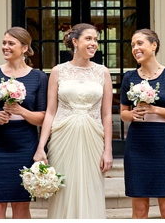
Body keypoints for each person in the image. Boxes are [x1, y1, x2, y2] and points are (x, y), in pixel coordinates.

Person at [33, 23, 112, 219]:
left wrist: (108, 149)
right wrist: (41, 146)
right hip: (62, 137)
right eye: (89, 39)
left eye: (95, 39)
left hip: (93, 137)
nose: (94, 43)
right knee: (64, 190)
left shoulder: (103, 72)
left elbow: (107, 114)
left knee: (91, 187)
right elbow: (51, 112)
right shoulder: (58, 71)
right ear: (75, 42)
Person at [0, 27, 47, 219]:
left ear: (24, 48)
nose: (5, 47)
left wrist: (20, 111)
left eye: (11, 43)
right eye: (4, 43)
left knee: (21, 206)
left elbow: (43, 117)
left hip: (24, 146)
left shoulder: (38, 77)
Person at [119, 29, 165, 219]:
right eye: (133, 45)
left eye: (139, 43)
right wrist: (132, 114)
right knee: (139, 209)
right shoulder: (129, 77)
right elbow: (123, 113)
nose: (135, 48)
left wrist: (154, 109)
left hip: (163, 143)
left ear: (154, 45)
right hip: (137, 144)